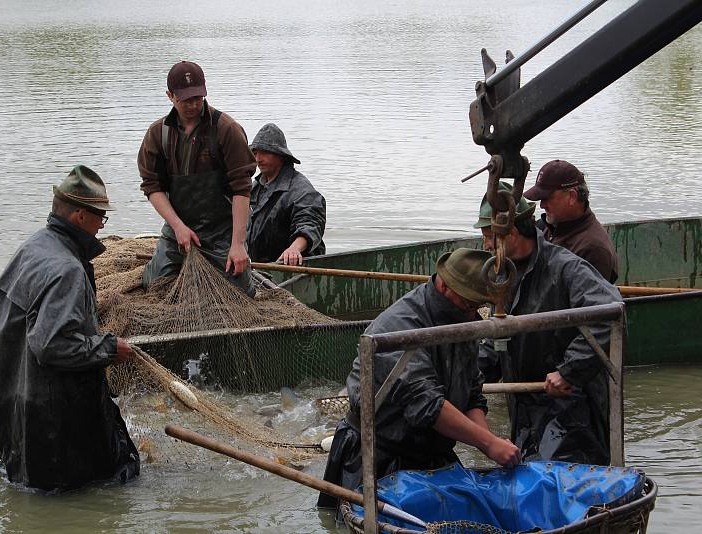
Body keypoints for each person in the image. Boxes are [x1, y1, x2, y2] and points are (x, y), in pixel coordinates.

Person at [318, 249, 521, 508]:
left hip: (431, 451)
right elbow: (427, 406)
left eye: (477, 306)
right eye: (469, 304)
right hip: (376, 454)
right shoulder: (400, 326)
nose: (473, 313)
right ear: (445, 287)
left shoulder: (463, 319)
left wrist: (490, 443)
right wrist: (488, 443)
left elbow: (471, 395)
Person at [0, 165, 140, 491]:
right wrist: (110, 349)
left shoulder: (33, 248)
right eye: (100, 217)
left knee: (33, 492)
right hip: (54, 422)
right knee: (114, 480)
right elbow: (52, 345)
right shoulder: (66, 270)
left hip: (17, 411)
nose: (102, 224)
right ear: (80, 217)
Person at [475, 182, 622, 466]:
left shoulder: (565, 267)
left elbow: (610, 312)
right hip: (527, 408)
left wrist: (569, 371)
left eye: (489, 237)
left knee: (569, 483)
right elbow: (497, 340)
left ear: (512, 233)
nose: (486, 246)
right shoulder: (503, 275)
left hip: (572, 412)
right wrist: (471, 379)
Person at [138, 60, 257, 296]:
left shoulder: (226, 129)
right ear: (170, 96)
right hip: (178, 227)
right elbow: (153, 187)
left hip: (222, 229)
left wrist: (237, 244)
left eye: (198, 98)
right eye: (185, 99)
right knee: (153, 286)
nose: (193, 105)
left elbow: (241, 189)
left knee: (241, 292)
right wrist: (178, 227)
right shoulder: (157, 134)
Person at [523, 159, 618, 283]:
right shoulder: (546, 227)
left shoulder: (593, 249)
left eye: (547, 198)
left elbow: (586, 300)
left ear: (572, 197)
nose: (542, 205)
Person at [247, 123, 326, 265]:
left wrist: (294, 249)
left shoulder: (301, 190)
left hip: (293, 268)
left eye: (265, 152)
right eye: (255, 152)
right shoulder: (256, 187)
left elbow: (310, 224)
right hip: (261, 267)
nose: (258, 158)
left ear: (281, 156)